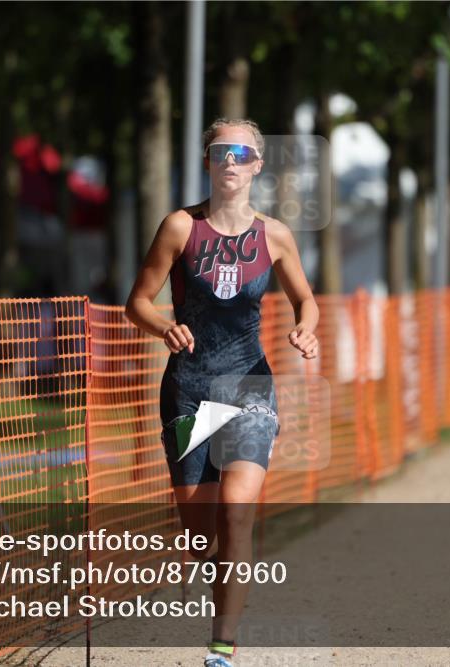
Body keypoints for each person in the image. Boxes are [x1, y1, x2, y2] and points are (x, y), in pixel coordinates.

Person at [125, 118, 320, 667]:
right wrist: (162, 326)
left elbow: (307, 299)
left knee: (237, 513)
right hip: (188, 391)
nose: (230, 161)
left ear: (257, 164)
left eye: (241, 152)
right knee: (201, 540)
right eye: (219, 151)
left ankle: (222, 649)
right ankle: (219, 582)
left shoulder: (275, 235)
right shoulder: (179, 229)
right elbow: (136, 301)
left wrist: (305, 327)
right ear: (208, 162)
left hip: (249, 386)